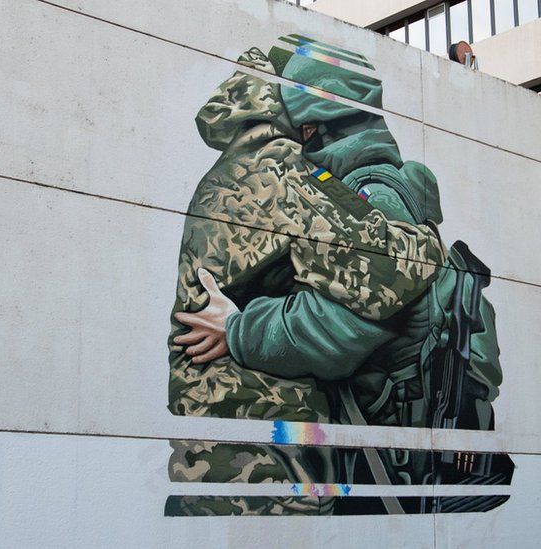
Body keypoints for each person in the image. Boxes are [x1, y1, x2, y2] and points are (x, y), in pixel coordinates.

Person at [166, 41, 447, 516]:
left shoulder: (236, 165)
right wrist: (428, 243)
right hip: (270, 455)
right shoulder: (279, 166)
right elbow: (395, 268)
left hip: (219, 447)